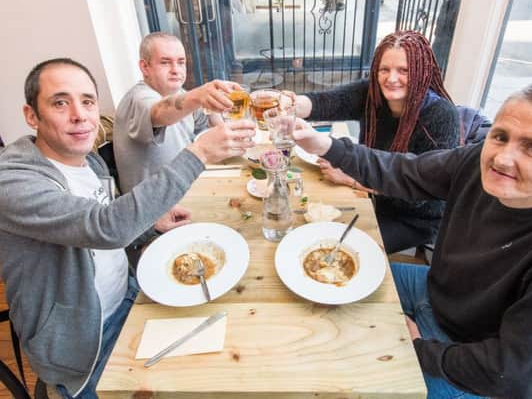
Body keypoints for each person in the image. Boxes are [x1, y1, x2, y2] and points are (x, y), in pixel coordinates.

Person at [293, 82, 532, 398]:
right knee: (317, 290)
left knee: (353, 379)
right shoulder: (475, 161)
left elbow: (513, 376)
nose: (503, 159)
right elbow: (403, 171)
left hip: (468, 360)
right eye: (500, 136)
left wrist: (417, 348)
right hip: (435, 289)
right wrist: (324, 145)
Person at [0, 58, 255, 398]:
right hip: (83, 348)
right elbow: (105, 227)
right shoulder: (13, 183)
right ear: (32, 115)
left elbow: (99, 228)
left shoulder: (86, 162)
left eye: (87, 101)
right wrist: (199, 153)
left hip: (131, 297)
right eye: (60, 102)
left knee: (227, 350)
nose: (80, 115)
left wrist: (149, 225)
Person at [294, 30, 460, 253]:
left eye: (404, 70)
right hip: (372, 196)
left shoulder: (442, 116)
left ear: (422, 72)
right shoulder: (372, 93)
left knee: (339, 247)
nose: (391, 79)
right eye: (384, 69)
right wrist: (291, 103)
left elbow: (417, 198)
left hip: (415, 219)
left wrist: (352, 179)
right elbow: (331, 102)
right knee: (307, 224)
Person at [114, 32, 242, 192]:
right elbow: (159, 112)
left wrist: (215, 106)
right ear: (145, 67)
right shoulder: (138, 98)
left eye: (181, 62)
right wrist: (199, 95)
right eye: (165, 62)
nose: (176, 70)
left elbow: (206, 122)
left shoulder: (179, 94)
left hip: (183, 188)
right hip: (154, 208)